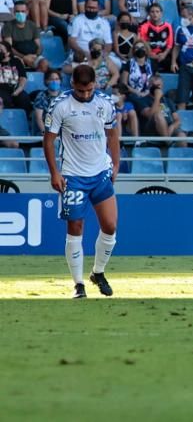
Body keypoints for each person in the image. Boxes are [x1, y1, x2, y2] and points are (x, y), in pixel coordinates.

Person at [43, 64, 119, 299]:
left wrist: (115, 164)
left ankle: (98, 272)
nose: (85, 95)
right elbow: (48, 141)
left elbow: (113, 135)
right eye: (81, 90)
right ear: (73, 84)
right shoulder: (60, 106)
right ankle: (78, 284)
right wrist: (54, 172)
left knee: (110, 226)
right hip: (73, 176)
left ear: (95, 84)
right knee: (75, 227)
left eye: (89, 90)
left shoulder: (105, 104)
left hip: (99, 173)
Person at [138, 73, 186, 143]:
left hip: (169, 127)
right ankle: (167, 141)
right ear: (149, 86)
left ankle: (174, 148)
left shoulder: (167, 100)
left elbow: (177, 120)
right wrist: (157, 97)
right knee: (158, 115)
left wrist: (172, 127)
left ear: (162, 86)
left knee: (182, 136)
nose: (156, 88)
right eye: (154, 86)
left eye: (158, 86)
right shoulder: (143, 100)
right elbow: (150, 115)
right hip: (152, 129)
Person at [3, 1, 42, 70]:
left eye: (23, 11)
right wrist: (23, 57)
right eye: (17, 11)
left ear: (27, 12)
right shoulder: (8, 26)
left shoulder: (32, 25)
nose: (20, 13)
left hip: (33, 54)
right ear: (14, 13)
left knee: (44, 63)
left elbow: (39, 45)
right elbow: (9, 47)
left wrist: (36, 55)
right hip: (18, 55)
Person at [137, 2, 173, 72]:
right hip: (150, 55)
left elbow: (170, 45)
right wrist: (151, 54)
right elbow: (144, 43)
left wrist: (164, 54)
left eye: (157, 11)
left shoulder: (168, 26)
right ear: (149, 14)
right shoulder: (144, 27)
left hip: (164, 55)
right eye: (152, 12)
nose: (155, 14)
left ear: (161, 13)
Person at [119, 39, 153, 111]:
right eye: (137, 48)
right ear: (133, 51)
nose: (140, 49)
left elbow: (156, 81)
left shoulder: (151, 64)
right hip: (133, 93)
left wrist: (147, 92)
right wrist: (137, 92)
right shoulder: (128, 64)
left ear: (146, 50)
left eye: (142, 47)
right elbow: (124, 83)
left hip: (148, 93)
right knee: (139, 101)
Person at [0, 41, 30, 113]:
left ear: (8, 53)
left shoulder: (16, 61)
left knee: (24, 98)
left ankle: (25, 118)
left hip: (15, 88)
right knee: (5, 99)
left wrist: (19, 89)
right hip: (1, 90)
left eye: (1, 50)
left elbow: (23, 77)